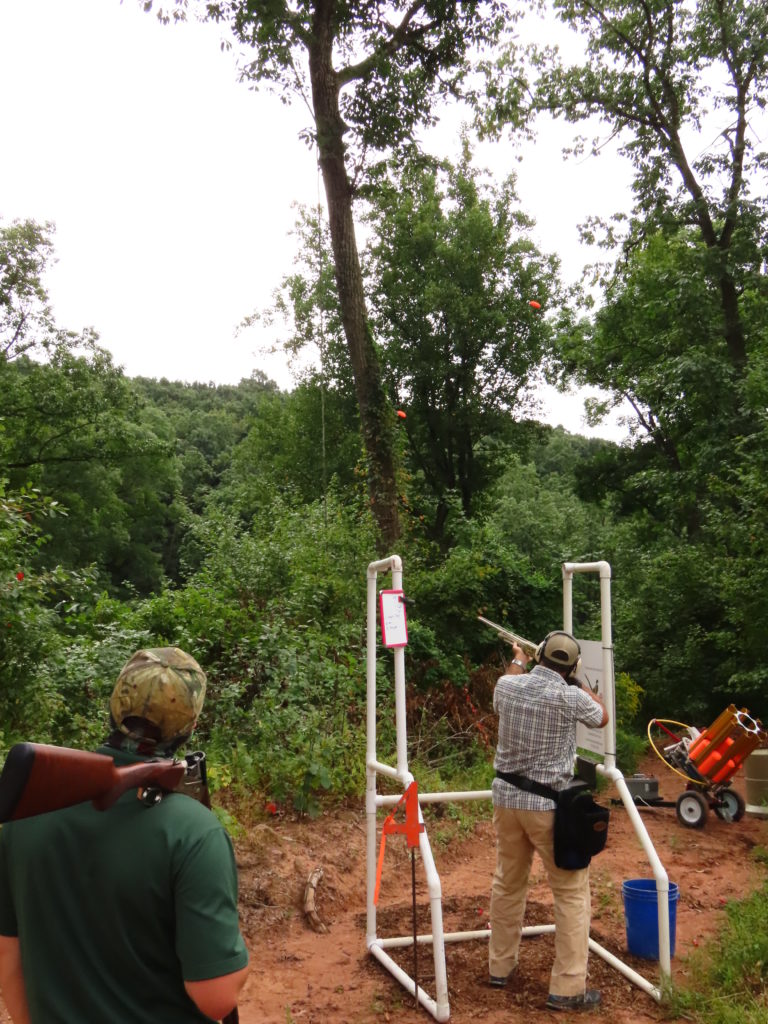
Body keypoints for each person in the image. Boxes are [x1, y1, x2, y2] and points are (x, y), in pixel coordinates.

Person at [0, 647, 250, 1023]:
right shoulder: (194, 833)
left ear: (114, 707)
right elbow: (216, 997)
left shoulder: (29, 810)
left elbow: (9, 958)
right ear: (190, 726)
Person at [488, 630, 608, 1012]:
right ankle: (568, 988)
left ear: (539, 656)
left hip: (506, 799)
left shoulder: (509, 687)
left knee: (508, 883)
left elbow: (509, 676)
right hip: (547, 806)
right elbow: (601, 715)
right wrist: (574, 679)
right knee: (571, 893)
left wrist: (520, 658)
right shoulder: (569, 694)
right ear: (570, 666)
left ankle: (499, 967)